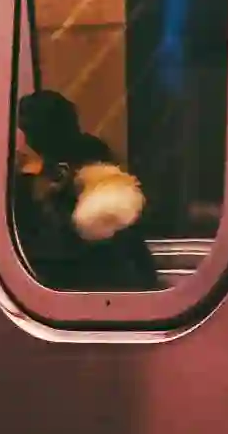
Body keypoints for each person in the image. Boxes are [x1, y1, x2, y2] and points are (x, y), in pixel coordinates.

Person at [10, 89, 161, 292]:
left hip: (96, 276)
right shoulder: (90, 159)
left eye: (27, 131)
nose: (26, 140)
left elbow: (61, 246)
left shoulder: (87, 169)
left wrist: (44, 193)